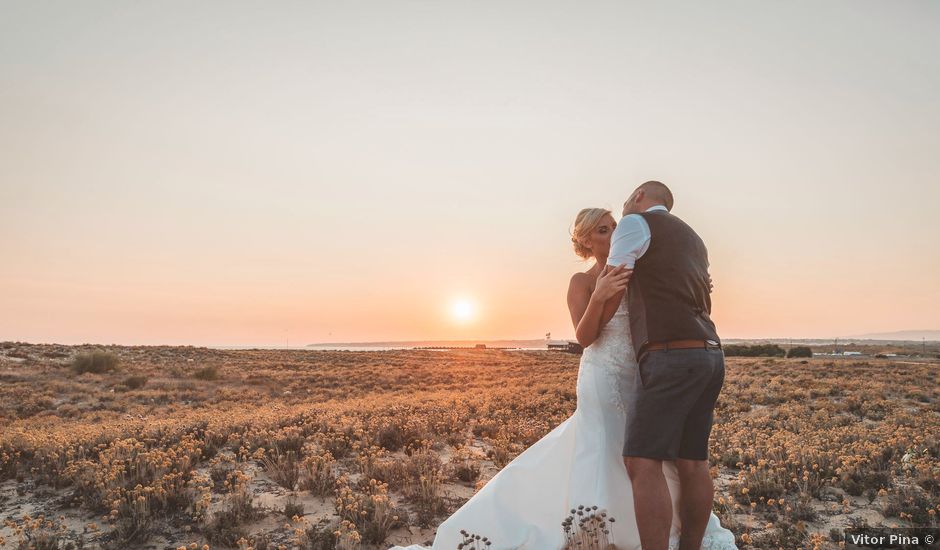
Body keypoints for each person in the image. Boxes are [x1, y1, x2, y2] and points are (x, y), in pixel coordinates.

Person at [388, 204, 737, 550]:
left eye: (615, 226)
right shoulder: (582, 282)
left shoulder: (638, 271)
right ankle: (598, 531)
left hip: (643, 372)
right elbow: (585, 337)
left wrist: (698, 280)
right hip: (603, 372)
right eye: (603, 230)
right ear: (586, 243)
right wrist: (600, 294)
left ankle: (658, 530)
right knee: (607, 446)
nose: (614, 234)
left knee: (646, 454)